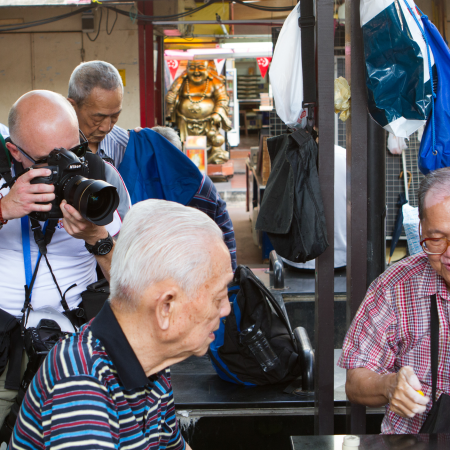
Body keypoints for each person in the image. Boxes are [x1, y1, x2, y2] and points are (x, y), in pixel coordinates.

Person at [10, 199, 233, 449]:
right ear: (166, 307)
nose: (226, 308)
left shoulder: (153, 362)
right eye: (218, 297)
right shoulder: (81, 382)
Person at [0, 90, 130, 426]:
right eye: (50, 160)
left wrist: (97, 238)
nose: (69, 166)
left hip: (79, 348)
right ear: (15, 152)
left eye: (76, 151)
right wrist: (4, 209)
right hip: (4, 346)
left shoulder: (101, 176)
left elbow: (133, 287)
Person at [67, 60, 237, 270]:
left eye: (115, 116)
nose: (106, 126)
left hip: (137, 273)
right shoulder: (50, 152)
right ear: (72, 106)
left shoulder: (141, 151)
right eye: (98, 117)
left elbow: (207, 200)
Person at [338, 166, 450, 434]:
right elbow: (355, 381)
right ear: (421, 229)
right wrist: (389, 386)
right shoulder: (395, 287)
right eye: (437, 238)